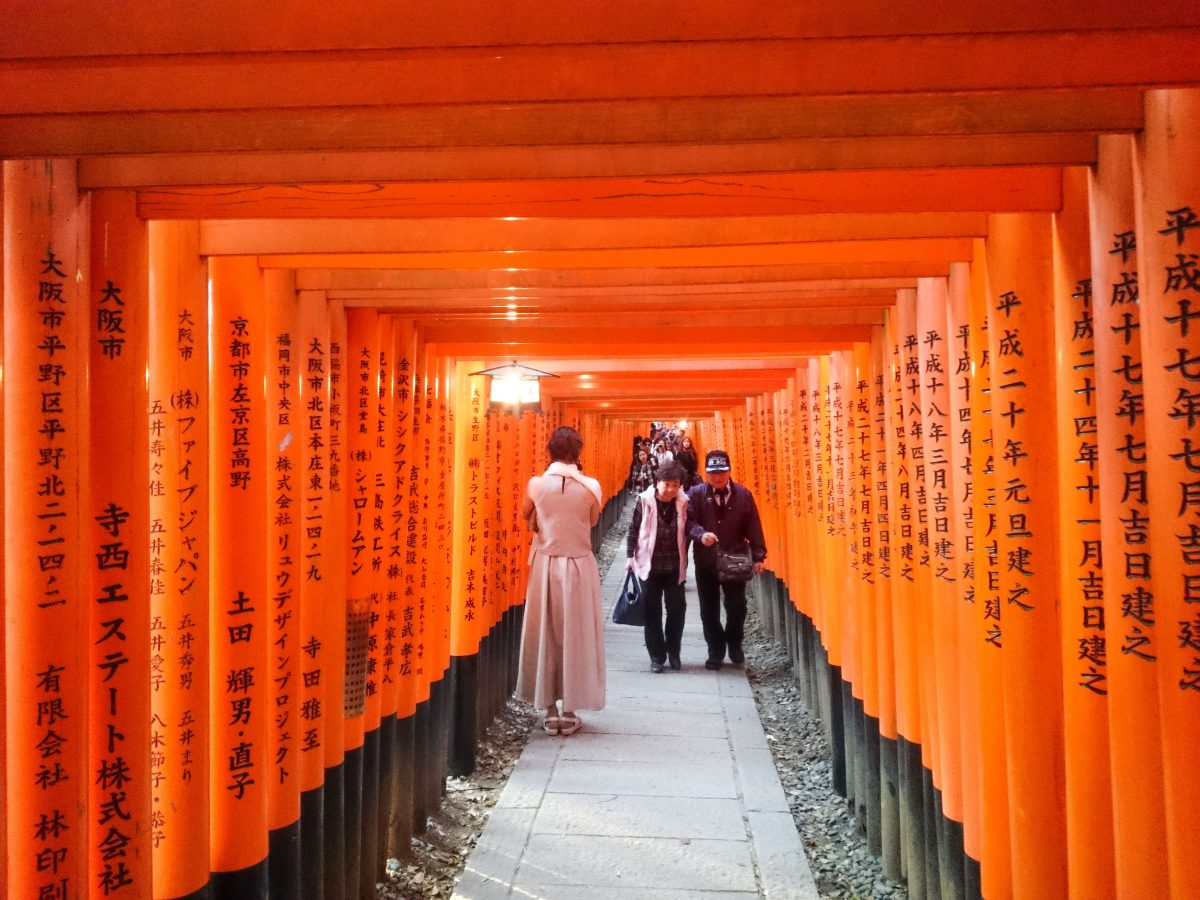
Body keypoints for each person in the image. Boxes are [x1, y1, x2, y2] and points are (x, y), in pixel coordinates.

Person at [516, 426, 605, 736]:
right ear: (578, 452)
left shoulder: (537, 485)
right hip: (580, 565)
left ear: (548, 451)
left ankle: (550, 712)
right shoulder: (592, 486)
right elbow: (592, 520)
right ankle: (570, 711)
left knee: (546, 633)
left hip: (546, 563)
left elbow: (525, 514)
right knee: (576, 635)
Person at [685, 449, 767, 670]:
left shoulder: (743, 494)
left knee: (737, 605)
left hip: (735, 559)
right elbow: (688, 522)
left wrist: (759, 555)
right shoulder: (695, 493)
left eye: (721, 472)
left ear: (729, 471)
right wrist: (701, 534)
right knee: (709, 608)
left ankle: (734, 642)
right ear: (706, 472)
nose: (717, 477)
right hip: (706, 561)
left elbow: (754, 525)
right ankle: (716, 650)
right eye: (712, 473)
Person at [625, 462, 690, 673]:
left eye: (676, 485)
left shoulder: (683, 502)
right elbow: (633, 529)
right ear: (657, 482)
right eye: (667, 484)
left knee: (677, 609)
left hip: (673, 566)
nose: (671, 489)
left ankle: (673, 651)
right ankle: (656, 656)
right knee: (651, 611)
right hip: (649, 566)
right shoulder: (644, 501)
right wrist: (629, 557)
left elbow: (690, 528)